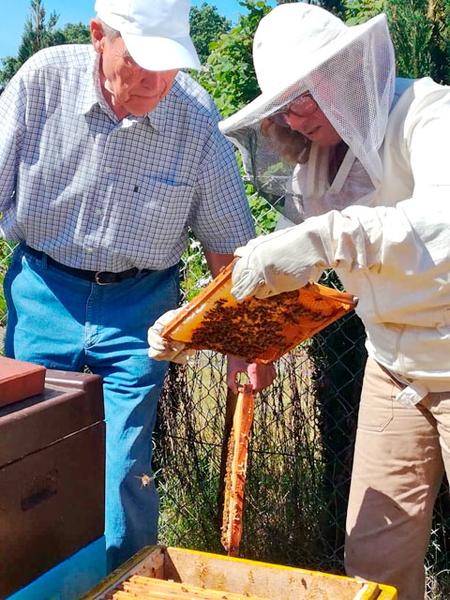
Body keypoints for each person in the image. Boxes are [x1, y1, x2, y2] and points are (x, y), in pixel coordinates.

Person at [151, 4, 450, 599]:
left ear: (347, 70)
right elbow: (294, 278)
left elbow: (440, 226)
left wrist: (322, 236)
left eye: (305, 92)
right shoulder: (315, 165)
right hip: (392, 365)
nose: (295, 114)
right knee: (374, 556)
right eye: (283, 102)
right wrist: (206, 324)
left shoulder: (429, 112)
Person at [0, 0, 275, 570]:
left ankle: (125, 582)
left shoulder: (195, 117)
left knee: (124, 468)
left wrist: (241, 342)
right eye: (143, 60)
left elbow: (230, 246)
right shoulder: (40, 84)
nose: (157, 80)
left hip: (140, 309)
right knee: (29, 461)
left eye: (170, 63)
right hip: (43, 292)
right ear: (99, 36)